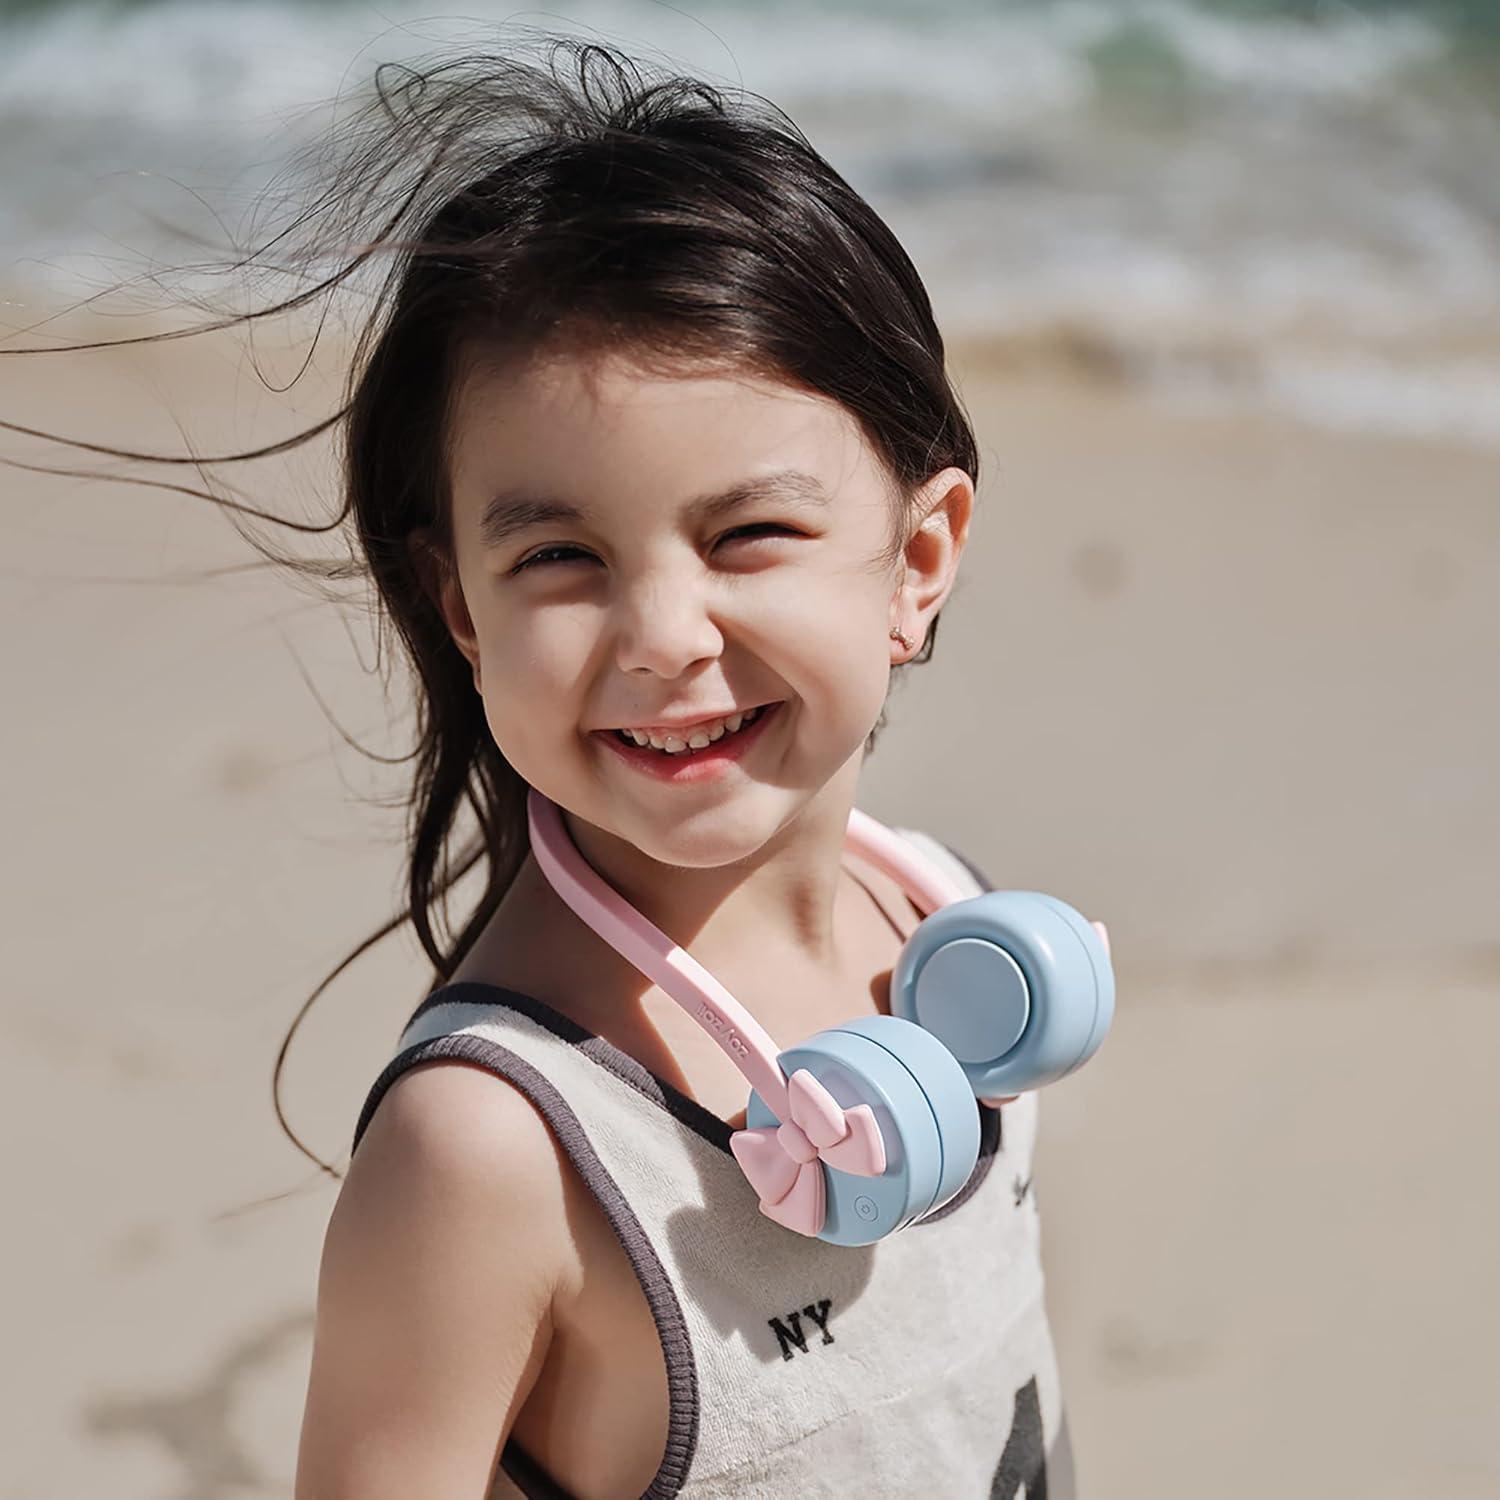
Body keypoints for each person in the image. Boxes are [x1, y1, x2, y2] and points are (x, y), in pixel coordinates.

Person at [15, 33, 1086, 1498]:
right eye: (560, 557)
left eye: (747, 535)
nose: (662, 637)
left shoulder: (957, 940)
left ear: (918, 558)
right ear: (462, 608)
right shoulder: (492, 1148)